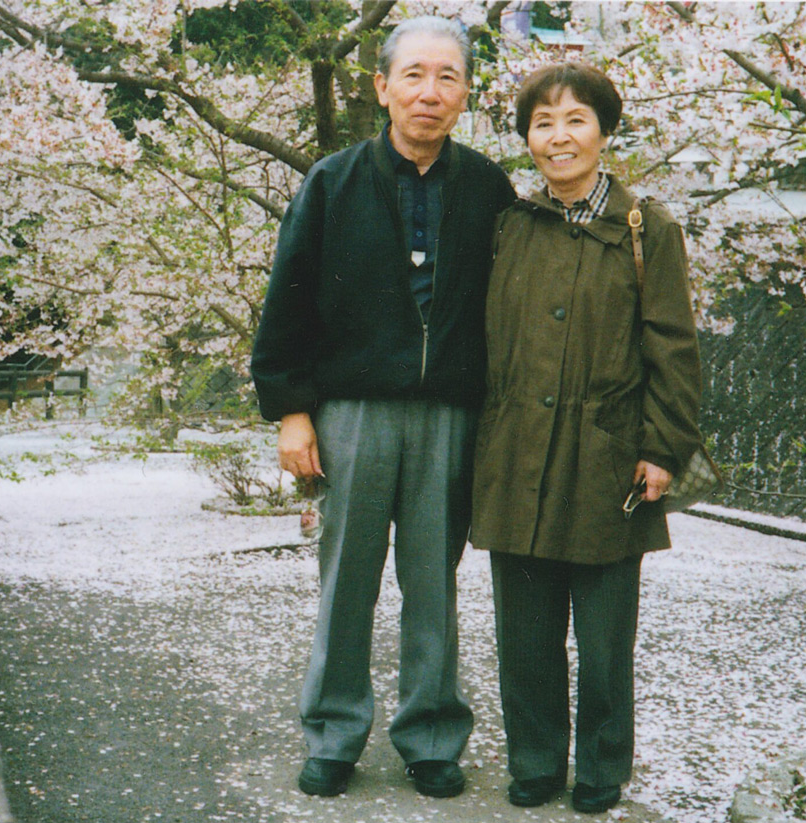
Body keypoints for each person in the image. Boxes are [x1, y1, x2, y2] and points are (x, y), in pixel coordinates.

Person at [250, 15, 515, 800]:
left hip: (448, 417)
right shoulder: (333, 181)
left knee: (434, 581)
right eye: (413, 75)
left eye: (447, 77)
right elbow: (287, 301)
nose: (429, 92)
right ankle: (333, 732)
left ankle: (431, 734)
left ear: (466, 93)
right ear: (381, 87)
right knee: (347, 581)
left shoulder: (488, 188)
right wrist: (292, 412)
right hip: (352, 413)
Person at [470, 62, 703, 814]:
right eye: (543, 123)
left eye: (575, 119)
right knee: (526, 633)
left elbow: (672, 344)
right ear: (527, 138)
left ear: (604, 130)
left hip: (607, 458)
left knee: (604, 640)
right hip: (519, 454)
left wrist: (664, 447)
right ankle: (536, 760)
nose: (558, 136)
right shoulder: (511, 226)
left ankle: (602, 766)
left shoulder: (646, 228)